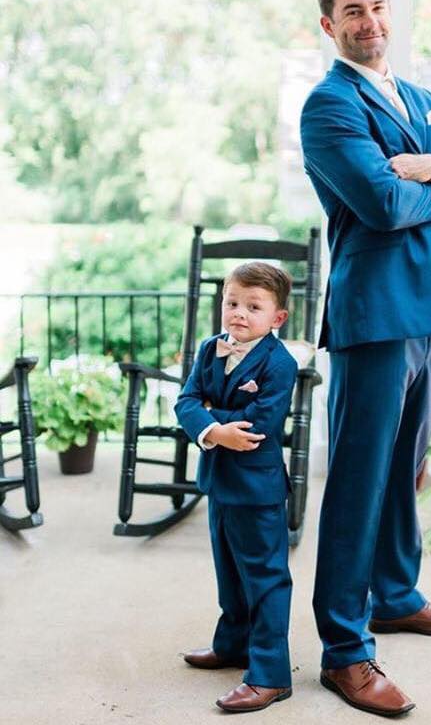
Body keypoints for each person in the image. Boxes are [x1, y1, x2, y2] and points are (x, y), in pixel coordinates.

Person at [300, 0, 431, 717]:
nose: (370, 22)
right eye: (353, 11)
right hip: (373, 315)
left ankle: (397, 595)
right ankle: (345, 652)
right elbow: (380, 206)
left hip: (426, 312)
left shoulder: (416, 98)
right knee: (357, 483)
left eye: (379, 7)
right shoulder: (328, 106)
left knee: (406, 472)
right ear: (331, 25)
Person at [174, 262, 298, 714]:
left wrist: (214, 420)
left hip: (258, 490)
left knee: (265, 579)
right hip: (219, 482)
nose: (239, 314)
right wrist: (210, 422)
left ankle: (269, 674)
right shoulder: (210, 350)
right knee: (229, 573)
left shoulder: (279, 363)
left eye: (253, 306)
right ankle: (232, 644)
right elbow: (185, 401)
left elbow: (260, 425)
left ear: (277, 318)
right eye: (232, 303)